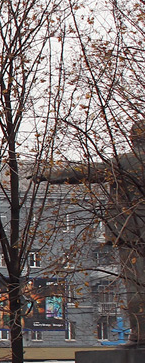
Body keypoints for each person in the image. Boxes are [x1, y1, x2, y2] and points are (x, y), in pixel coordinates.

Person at [36, 121, 145, 347]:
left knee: (135, 286)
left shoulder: (125, 163)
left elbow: (85, 173)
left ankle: (140, 335)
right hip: (132, 232)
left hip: (131, 233)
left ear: (133, 138)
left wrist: (49, 174)